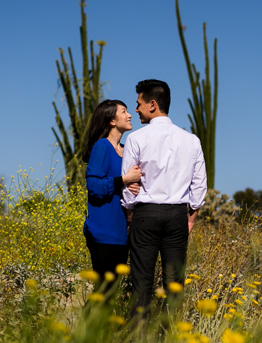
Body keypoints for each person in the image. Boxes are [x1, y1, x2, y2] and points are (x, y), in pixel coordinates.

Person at [121, 79, 207, 313]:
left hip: (145, 214)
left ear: (152, 104)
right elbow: (199, 185)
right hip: (177, 215)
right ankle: (169, 342)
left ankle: (137, 342)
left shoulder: (136, 139)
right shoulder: (191, 140)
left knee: (141, 283)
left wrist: (130, 214)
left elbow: (128, 184)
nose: (136, 109)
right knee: (174, 285)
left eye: (138, 103)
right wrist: (191, 217)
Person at [81, 99, 142, 281]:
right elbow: (93, 186)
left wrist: (134, 185)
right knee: (104, 292)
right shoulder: (102, 146)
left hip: (121, 233)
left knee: (110, 293)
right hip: (103, 232)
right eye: (123, 111)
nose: (130, 115)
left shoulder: (126, 150)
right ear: (112, 121)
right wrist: (125, 179)